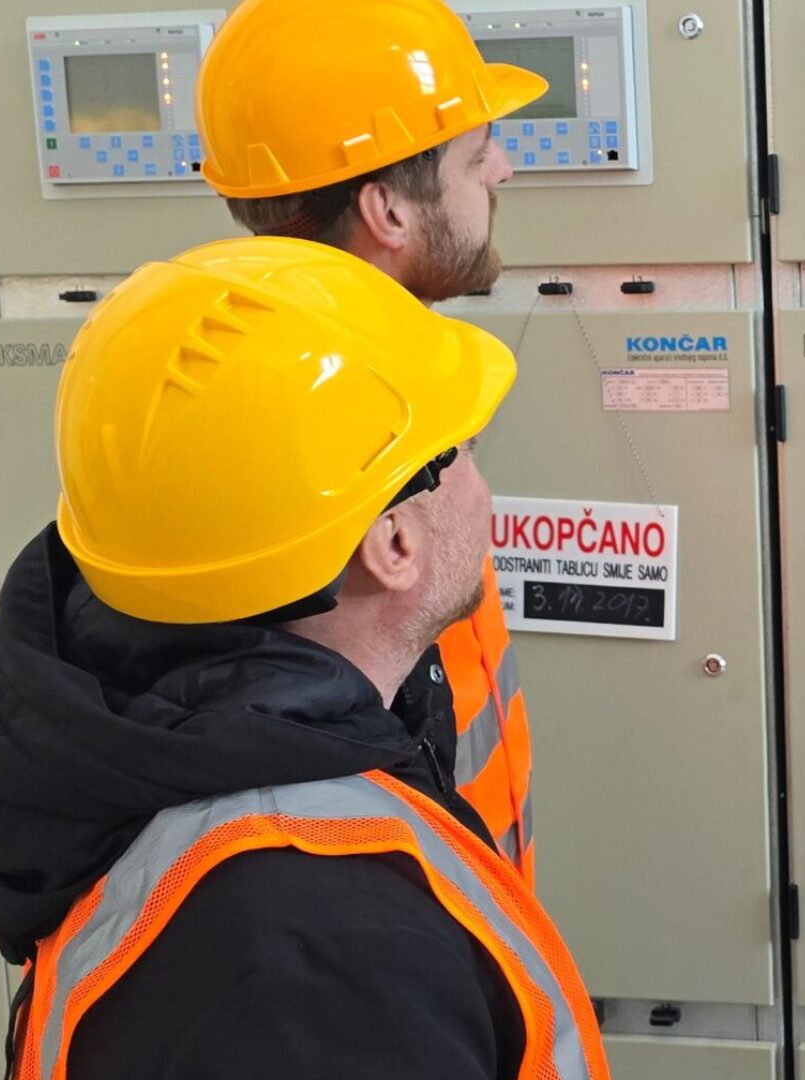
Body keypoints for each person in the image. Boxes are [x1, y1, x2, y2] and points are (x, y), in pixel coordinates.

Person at [0, 237, 611, 1080]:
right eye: (465, 447)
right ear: (392, 543)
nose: (483, 482)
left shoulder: (175, 739)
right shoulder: (319, 959)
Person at [197, 0, 544, 878]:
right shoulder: (314, 445)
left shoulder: (367, 388)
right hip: (413, 912)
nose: (503, 170)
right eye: (477, 152)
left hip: (464, 896)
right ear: (386, 208)